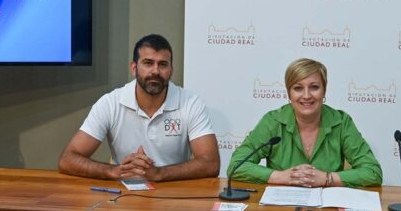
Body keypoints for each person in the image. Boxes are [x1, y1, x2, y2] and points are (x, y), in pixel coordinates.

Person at [58, 34, 220, 181]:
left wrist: (158, 174)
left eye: (163, 64)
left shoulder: (190, 102)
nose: (155, 71)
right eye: (148, 63)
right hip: (124, 193)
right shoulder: (111, 103)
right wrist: (113, 171)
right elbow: (68, 159)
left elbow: (211, 163)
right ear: (134, 68)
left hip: (174, 190)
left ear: (171, 70)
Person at [228, 58, 382, 187]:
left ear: (324, 91)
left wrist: (328, 179)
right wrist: (283, 177)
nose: (306, 95)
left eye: (314, 87)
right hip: (282, 209)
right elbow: (236, 166)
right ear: (289, 93)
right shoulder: (272, 121)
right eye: (298, 88)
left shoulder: (341, 122)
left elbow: (373, 172)